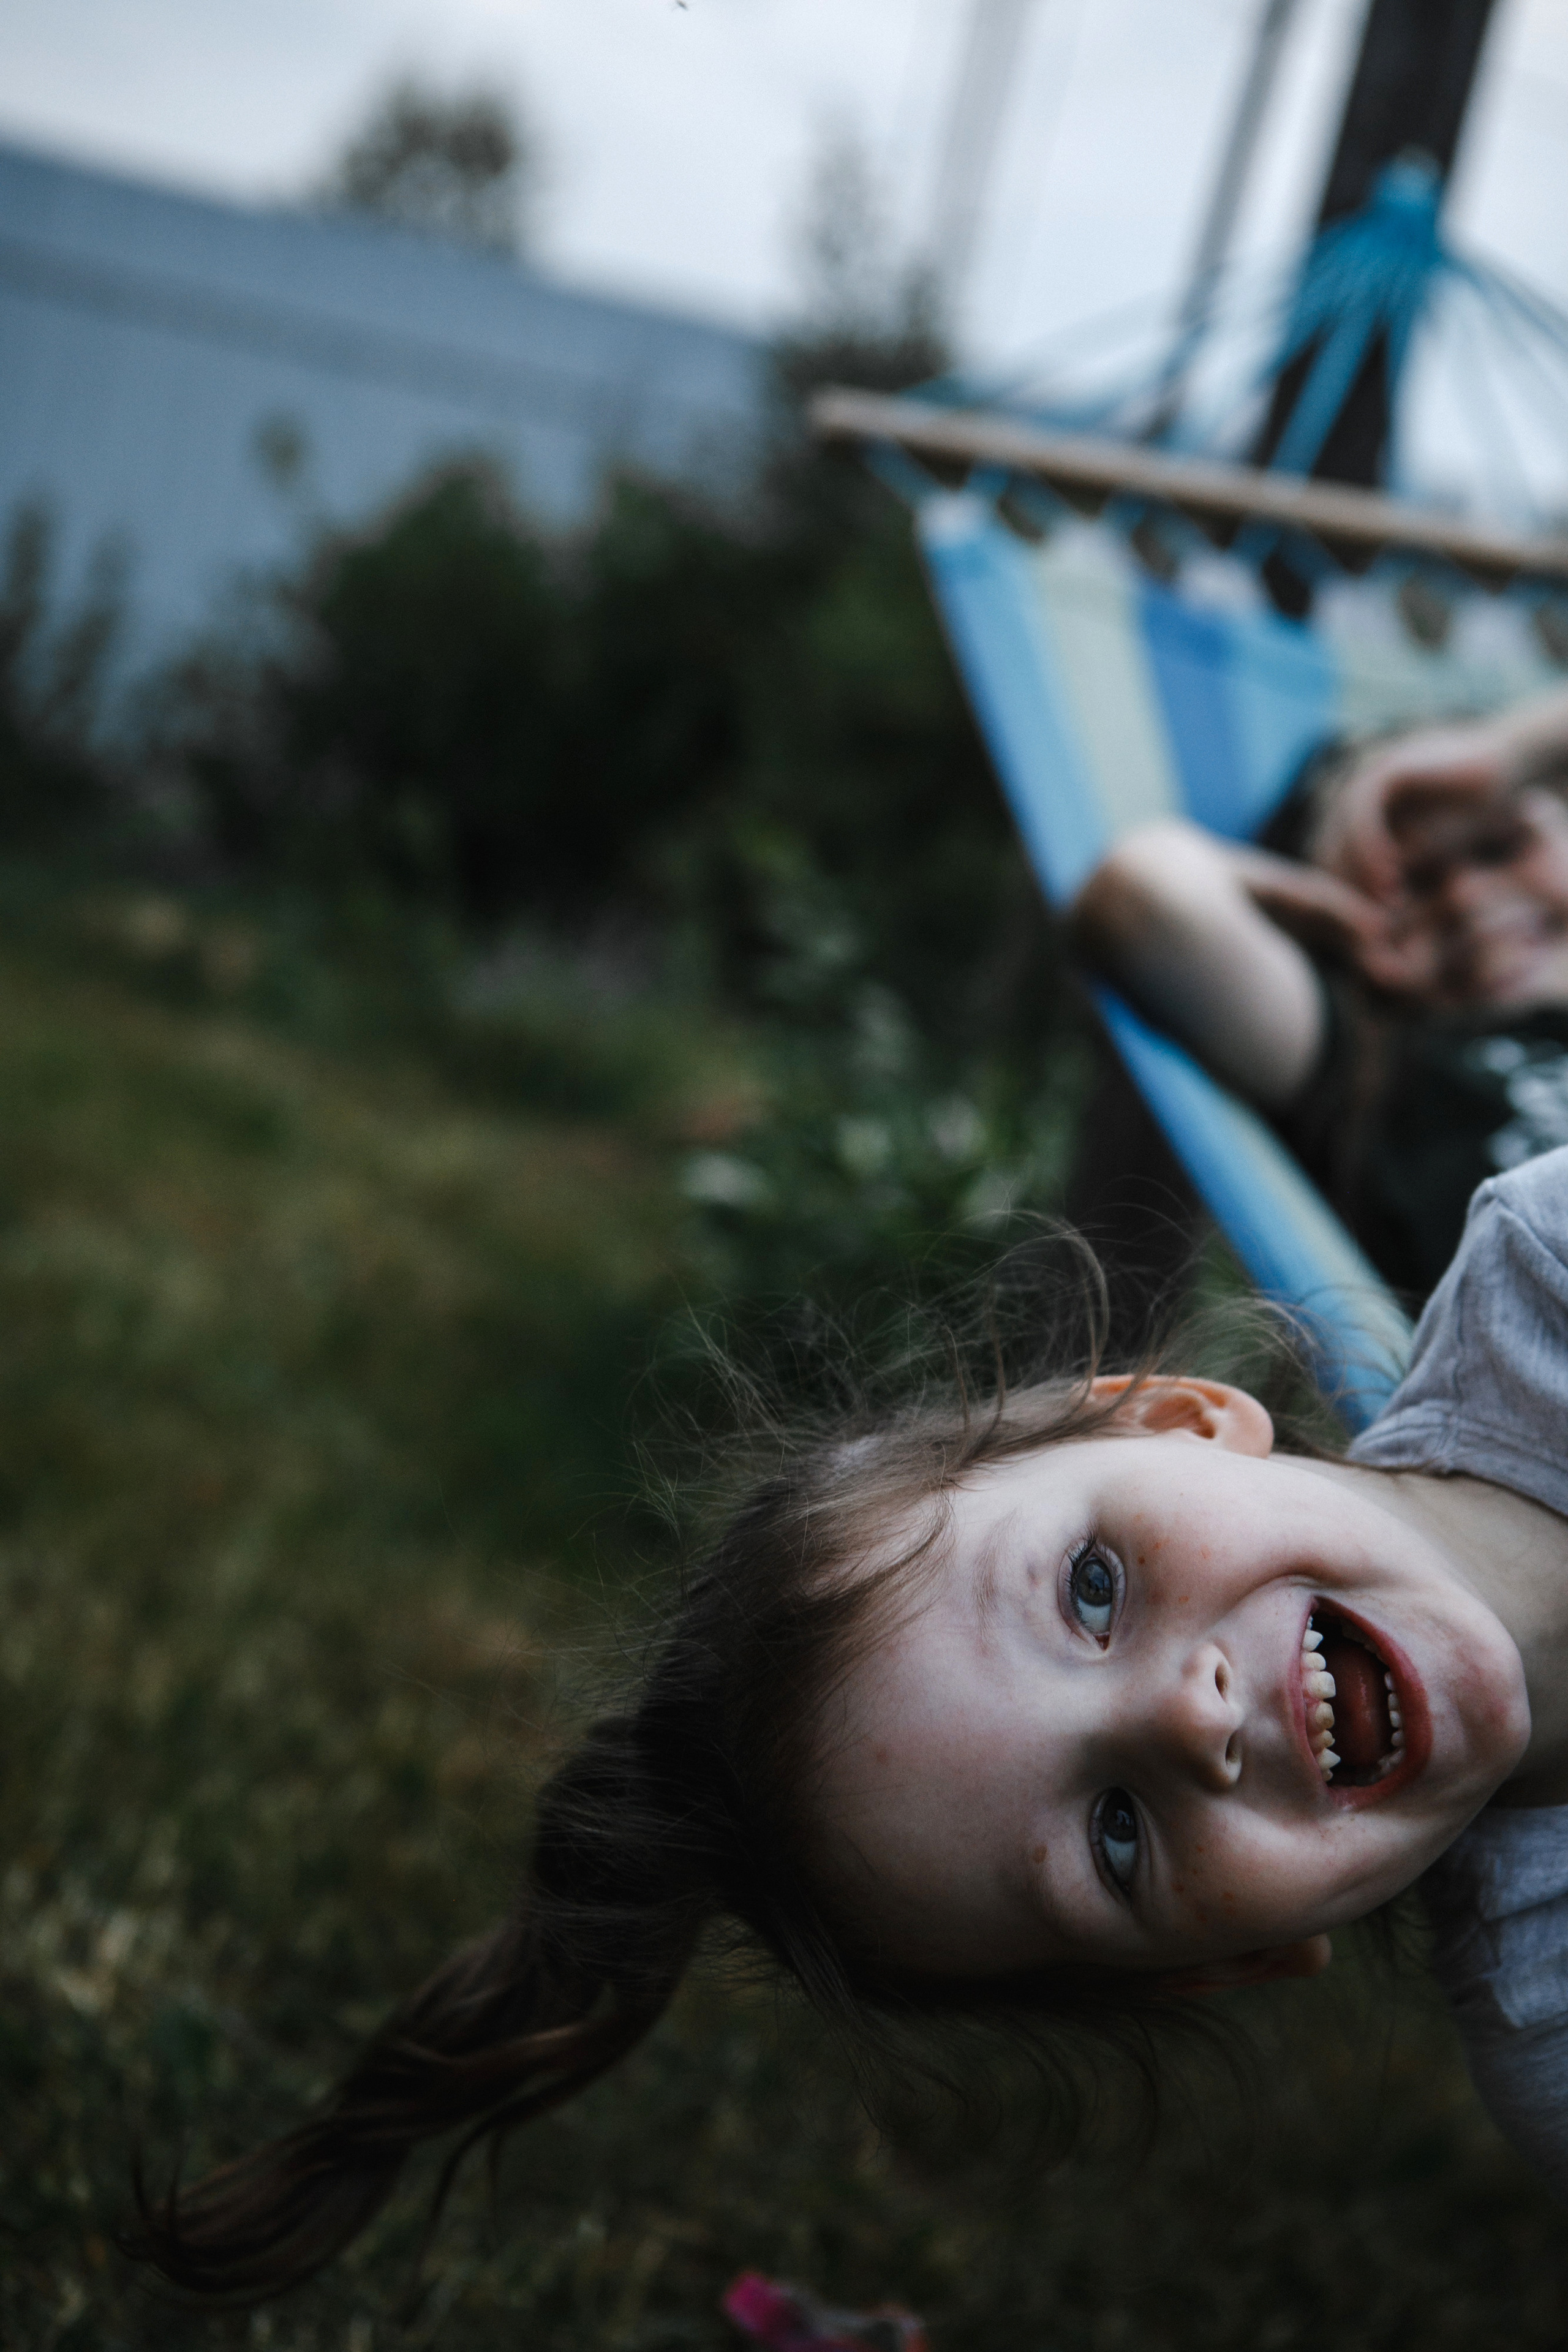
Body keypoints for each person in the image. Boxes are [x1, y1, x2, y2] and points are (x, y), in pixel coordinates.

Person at [135, 1145, 1568, 2299]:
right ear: (1242, 1952)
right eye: (1115, 1839)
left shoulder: (1546, 1268)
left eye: (1086, 1587)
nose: (1180, 1717)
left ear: (1169, 1417)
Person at [1071, 685, 1568, 1299]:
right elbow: (1143, 897)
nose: (1466, 902)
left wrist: (1500, 754)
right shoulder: (1379, 1069)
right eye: (1407, 887)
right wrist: (1324, 907)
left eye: (1500, 846)